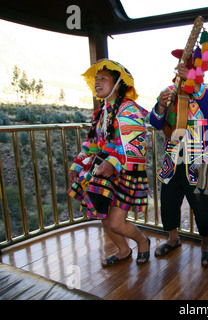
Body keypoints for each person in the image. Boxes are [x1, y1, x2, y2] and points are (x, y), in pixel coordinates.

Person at [68, 59, 150, 267]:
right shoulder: (101, 112)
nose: (97, 82)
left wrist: (113, 163)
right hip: (103, 171)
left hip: (124, 171)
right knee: (102, 213)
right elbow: (92, 144)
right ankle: (123, 250)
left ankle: (142, 242)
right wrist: (77, 166)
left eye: (103, 78)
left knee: (115, 222)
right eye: (96, 78)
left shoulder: (128, 109)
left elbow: (136, 144)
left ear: (117, 84)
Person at [149, 49, 208, 268]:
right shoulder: (168, 91)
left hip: (202, 159)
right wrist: (160, 106)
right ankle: (173, 238)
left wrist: (195, 86)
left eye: (189, 67)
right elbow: (154, 122)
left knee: (203, 204)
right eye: (182, 66)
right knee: (169, 201)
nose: (183, 69)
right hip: (173, 157)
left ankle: (206, 244)